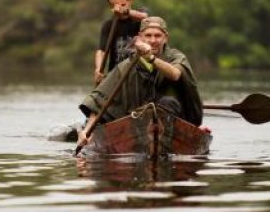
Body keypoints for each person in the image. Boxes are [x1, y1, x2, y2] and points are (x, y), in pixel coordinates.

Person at [79, 16, 203, 146]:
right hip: (135, 119)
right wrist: (86, 131)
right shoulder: (126, 66)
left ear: (166, 37)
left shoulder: (176, 57)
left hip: (172, 117)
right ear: (140, 38)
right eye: (148, 36)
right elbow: (99, 101)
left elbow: (175, 74)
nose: (153, 40)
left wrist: (151, 58)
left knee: (168, 103)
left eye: (158, 36)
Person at [94, 0, 148, 85]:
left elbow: (145, 17)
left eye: (122, 4)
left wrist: (125, 11)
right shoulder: (109, 25)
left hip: (140, 74)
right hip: (116, 76)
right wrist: (98, 69)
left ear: (129, 1)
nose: (118, 9)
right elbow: (101, 51)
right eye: (114, 6)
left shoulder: (141, 16)